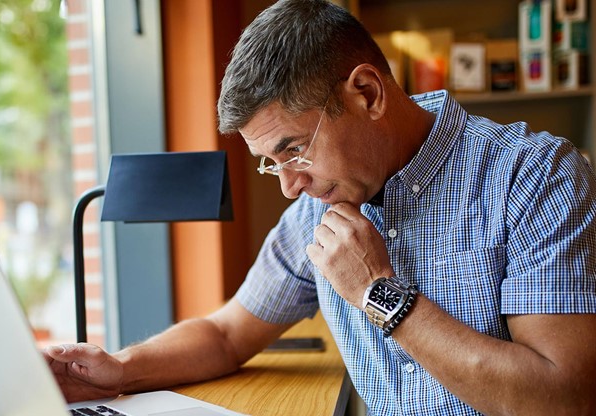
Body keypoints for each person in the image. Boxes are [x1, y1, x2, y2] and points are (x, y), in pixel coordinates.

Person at [44, 0, 596, 414]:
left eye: (293, 149)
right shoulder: (317, 207)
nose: (288, 186)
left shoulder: (536, 179)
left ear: (367, 94)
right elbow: (226, 334)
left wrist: (381, 296)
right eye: (270, 161)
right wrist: (119, 369)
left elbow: (562, 398)